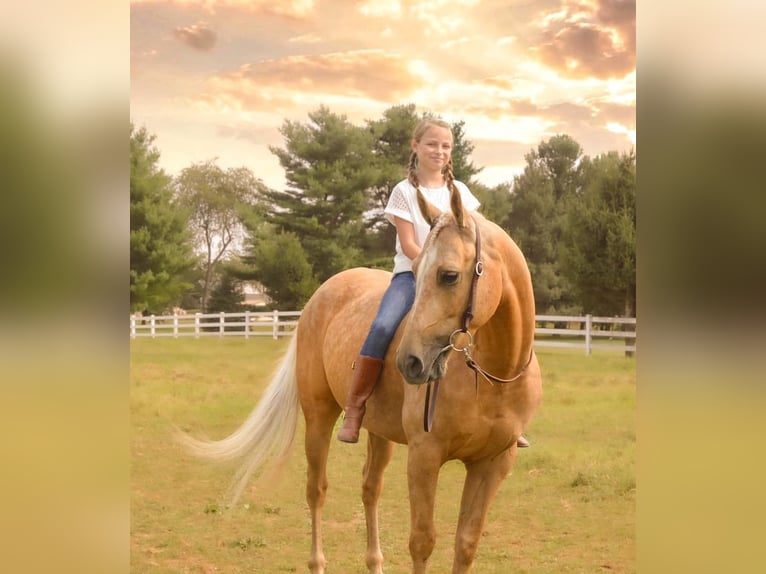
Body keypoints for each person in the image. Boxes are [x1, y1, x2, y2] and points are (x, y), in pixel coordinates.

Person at [337, 117, 530, 449]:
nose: (438, 151)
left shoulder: (462, 193)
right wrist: (429, 264)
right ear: (416, 146)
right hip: (411, 275)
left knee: (489, 325)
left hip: (455, 278)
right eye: (431, 144)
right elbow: (409, 242)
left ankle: (504, 414)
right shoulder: (404, 192)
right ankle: (355, 407)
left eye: (445, 146)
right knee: (383, 326)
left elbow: (477, 236)